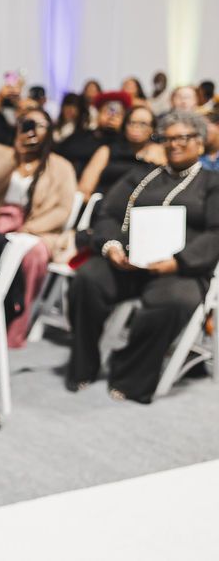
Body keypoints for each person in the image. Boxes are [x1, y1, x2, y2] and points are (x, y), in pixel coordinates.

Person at [66, 111, 219, 403]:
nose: (174, 144)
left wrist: (178, 262)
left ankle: (130, 373)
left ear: (199, 143)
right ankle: (84, 363)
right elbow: (109, 214)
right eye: (168, 139)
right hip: (129, 260)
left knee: (173, 302)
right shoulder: (143, 176)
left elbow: (216, 233)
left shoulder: (212, 183)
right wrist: (112, 246)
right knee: (87, 280)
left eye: (182, 138)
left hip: (180, 269)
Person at [0, 108, 77, 347]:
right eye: (27, 123)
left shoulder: (61, 166)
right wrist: (15, 156)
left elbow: (63, 209)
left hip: (39, 229)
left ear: (50, 130)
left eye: (40, 125)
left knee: (35, 255)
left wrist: (29, 228)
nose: (33, 130)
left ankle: (16, 328)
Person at [78, 105, 165, 200]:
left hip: (144, 205)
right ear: (124, 126)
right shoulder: (107, 151)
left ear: (152, 129)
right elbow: (84, 189)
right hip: (105, 203)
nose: (136, 127)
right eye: (132, 122)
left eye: (143, 124)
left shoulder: (160, 153)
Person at [53, 92, 99, 177]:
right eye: (67, 105)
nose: (70, 109)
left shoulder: (85, 132)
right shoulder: (54, 128)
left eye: (74, 106)